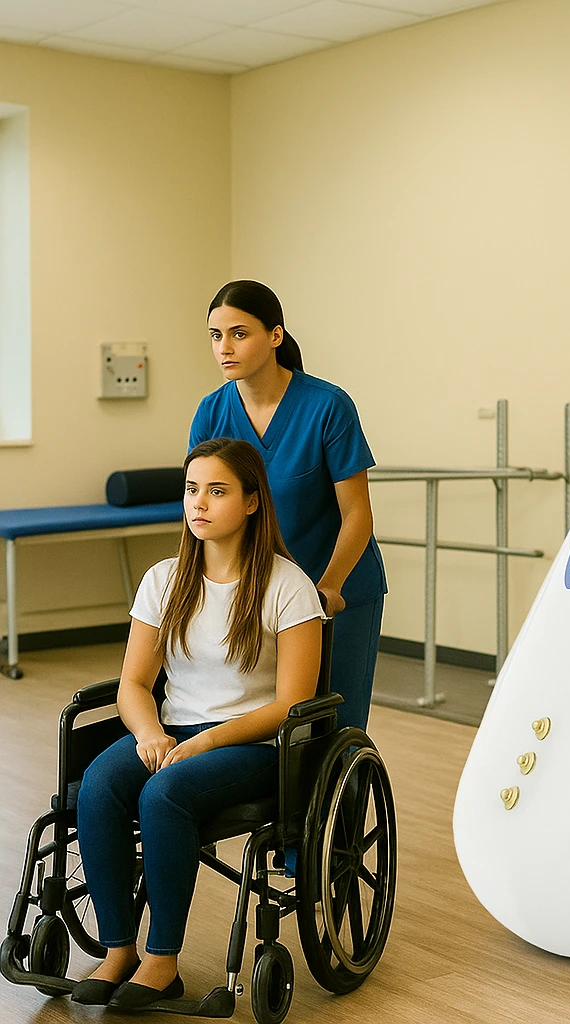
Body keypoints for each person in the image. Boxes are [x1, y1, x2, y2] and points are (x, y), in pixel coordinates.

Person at [71, 438, 325, 1009]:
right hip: (176, 731)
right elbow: (134, 685)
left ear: (253, 501)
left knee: (164, 795)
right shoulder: (164, 580)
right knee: (100, 784)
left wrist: (206, 741)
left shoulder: (288, 587)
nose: (199, 504)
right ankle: (118, 951)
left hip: (256, 743)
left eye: (217, 491)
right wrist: (150, 734)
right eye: (192, 490)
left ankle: (163, 962)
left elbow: (290, 705)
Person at [190, 281, 386, 731]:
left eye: (239, 333)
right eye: (216, 336)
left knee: (335, 729)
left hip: (336, 590)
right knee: (267, 728)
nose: (225, 348)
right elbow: (203, 512)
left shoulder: (327, 407)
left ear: (275, 336)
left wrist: (329, 587)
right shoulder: (211, 413)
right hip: (257, 594)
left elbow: (357, 513)